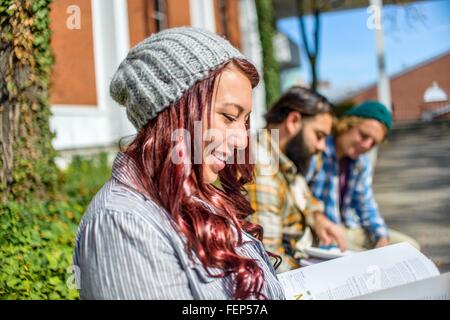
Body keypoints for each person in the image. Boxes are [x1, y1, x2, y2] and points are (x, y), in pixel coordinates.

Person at [73, 27, 285, 300]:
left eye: (245, 122)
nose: (242, 142)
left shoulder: (198, 197)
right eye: (229, 117)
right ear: (176, 114)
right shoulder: (123, 226)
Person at [246, 86, 345, 272]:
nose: (322, 146)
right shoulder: (262, 171)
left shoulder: (283, 158)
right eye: (319, 135)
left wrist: (318, 219)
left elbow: (307, 200)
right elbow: (269, 260)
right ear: (293, 121)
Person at [307, 101, 420, 251]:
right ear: (347, 124)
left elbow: (365, 203)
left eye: (373, 143)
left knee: (410, 248)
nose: (367, 145)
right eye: (364, 136)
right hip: (319, 231)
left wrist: (381, 236)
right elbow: (299, 194)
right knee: (367, 258)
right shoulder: (318, 148)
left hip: (348, 226)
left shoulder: (361, 162)